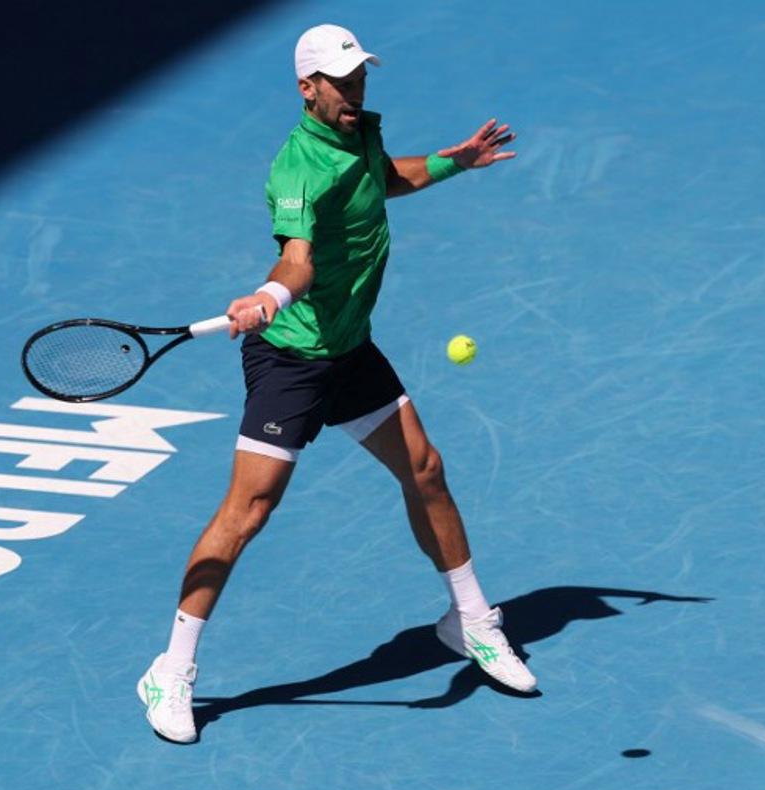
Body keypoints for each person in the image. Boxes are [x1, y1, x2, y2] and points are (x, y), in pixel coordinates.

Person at [137, 23, 535, 743]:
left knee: (426, 470)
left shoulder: (357, 132)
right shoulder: (296, 168)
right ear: (307, 88)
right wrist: (270, 295)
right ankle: (172, 667)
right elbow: (297, 260)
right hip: (292, 362)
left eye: (359, 79)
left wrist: (454, 163)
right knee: (247, 512)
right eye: (341, 83)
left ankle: (470, 621)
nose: (354, 92)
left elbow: (381, 181)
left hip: (349, 349)